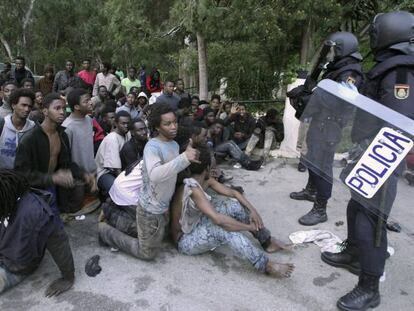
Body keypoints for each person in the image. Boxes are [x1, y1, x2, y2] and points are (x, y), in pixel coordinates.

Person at [321, 11, 414, 311]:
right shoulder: (390, 67)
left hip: (383, 154)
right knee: (355, 206)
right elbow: (379, 109)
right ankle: (353, 253)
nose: (373, 37)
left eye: (376, 32)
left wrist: (375, 159)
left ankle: (369, 286)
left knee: (370, 219)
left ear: (389, 32)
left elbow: (399, 122)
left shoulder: (402, 73)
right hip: (370, 150)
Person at [170, 143, 295, 278]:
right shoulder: (191, 187)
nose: (216, 170)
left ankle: (266, 240)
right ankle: (265, 265)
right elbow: (218, 219)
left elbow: (234, 193)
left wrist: (252, 210)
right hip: (184, 240)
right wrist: (247, 226)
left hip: (195, 223)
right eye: (213, 167)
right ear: (206, 168)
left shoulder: (204, 180)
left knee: (234, 206)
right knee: (225, 231)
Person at [99, 103, 200, 260]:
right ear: (157, 127)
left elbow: (170, 175)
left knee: (160, 234)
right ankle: (105, 231)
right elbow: (155, 175)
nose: (173, 127)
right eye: (167, 124)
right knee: (147, 253)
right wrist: (184, 158)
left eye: (175, 122)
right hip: (148, 208)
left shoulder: (173, 144)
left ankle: (121, 219)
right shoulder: (152, 147)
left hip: (160, 205)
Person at [289, 32, 364, 226]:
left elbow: (343, 99)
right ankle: (311, 190)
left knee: (322, 166)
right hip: (319, 123)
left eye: (332, 49)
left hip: (329, 127)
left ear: (341, 49)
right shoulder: (337, 67)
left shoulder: (351, 73)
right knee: (311, 160)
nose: (329, 53)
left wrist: (313, 95)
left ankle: (320, 209)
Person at [0, 169, 74, 297]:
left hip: (16, 265)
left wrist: (68, 278)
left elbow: (59, 242)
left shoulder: (36, 212)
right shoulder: (7, 201)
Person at [14, 93, 88, 213]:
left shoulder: (62, 135)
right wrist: (52, 177)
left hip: (53, 190)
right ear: (45, 111)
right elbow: (21, 174)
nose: (62, 112)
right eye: (57, 108)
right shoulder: (29, 139)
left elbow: (66, 163)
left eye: (64, 108)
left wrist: (84, 174)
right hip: (32, 194)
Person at [62, 88, 98, 211]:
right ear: (76, 106)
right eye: (86, 101)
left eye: (90, 99)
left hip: (92, 172)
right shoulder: (68, 127)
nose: (91, 103)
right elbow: (66, 159)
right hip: (78, 176)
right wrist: (83, 175)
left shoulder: (88, 120)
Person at [95, 111, 131, 196]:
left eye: (128, 123)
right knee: (120, 192)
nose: (126, 126)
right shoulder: (112, 138)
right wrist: (124, 184)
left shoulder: (127, 134)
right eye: (123, 123)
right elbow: (116, 168)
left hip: (120, 170)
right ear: (116, 124)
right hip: (104, 173)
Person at [0, 88, 35, 169]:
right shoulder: (2, 125)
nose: (27, 109)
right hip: (3, 177)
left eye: (29, 106)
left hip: (24, 177)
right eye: (23, 105)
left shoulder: (33, 128)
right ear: (13, 105)